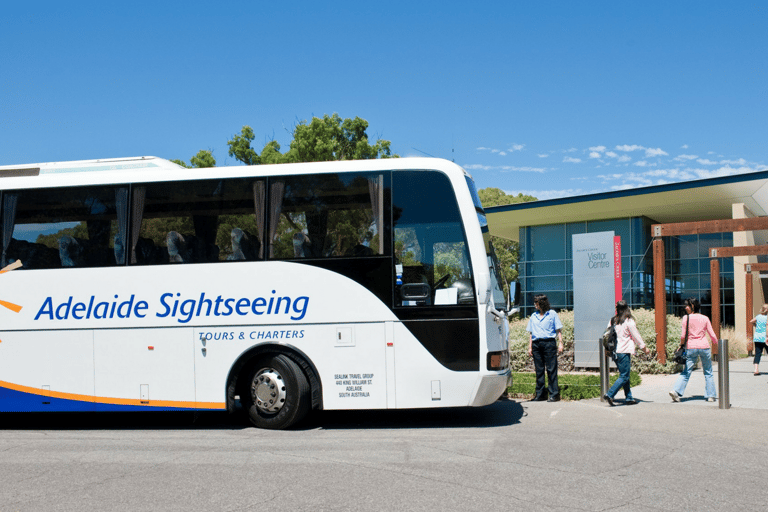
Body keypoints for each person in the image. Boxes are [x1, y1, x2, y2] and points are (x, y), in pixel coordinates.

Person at [670, 297, 718, 403]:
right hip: (704, 346)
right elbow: (712, 335)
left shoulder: (686, 318)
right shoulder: (705, 318)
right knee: (708, 372)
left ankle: (676, 391)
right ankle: (711, 396)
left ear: (692, 306)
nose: (685, 307)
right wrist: (718, 345)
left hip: (691, 347)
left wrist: (681, 345)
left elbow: (683, 336)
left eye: (687, 305)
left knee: (687, 370)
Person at [603, 301, 650, 406]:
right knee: (624, 376)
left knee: (624, 375)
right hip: (624, 352)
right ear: (627, 308)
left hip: (615, 352)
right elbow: (636, 336)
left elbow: (606, 335)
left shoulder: (613, 320)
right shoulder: (629, 321)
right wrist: (644, 348)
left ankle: (629, 398)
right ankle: (610, 394)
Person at [526, 294, 564, 402]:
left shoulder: (552, 314)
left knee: (551, 369)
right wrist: (530, 347)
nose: (534, 304)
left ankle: (554, 394)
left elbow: (558, 330)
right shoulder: (533, 316)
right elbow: (531, 333)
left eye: (536, 302)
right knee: (539, 370)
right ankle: (540, 394)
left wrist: (560, 343)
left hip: (549, 343)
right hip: (536, 344)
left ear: (541, 303)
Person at [749, 304, 768, 375]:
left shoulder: (758, 316)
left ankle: (756, 370)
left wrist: (756, 325)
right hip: (765, 338)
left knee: (757, 354)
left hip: (757, 338)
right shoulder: (767, 318)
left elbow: (751, 321)